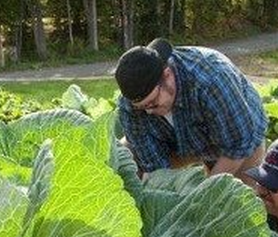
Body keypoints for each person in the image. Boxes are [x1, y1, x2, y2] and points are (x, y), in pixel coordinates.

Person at [113, 38, 267, 181]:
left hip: (239, 134)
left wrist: (206, 193)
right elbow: (155, 168)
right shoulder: (129, 107)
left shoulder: (211, 80)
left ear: (167, 76)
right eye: (142, 107)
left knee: (238, 199)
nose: (149, 112)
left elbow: (238, 145)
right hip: (177, 141)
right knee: (124, 155)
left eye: (153, 103)